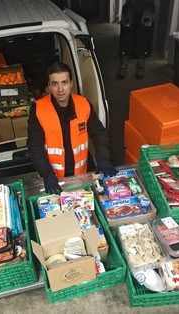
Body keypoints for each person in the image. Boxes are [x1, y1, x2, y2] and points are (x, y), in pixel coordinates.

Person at [27, 62, 117, 194]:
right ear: (49, 86)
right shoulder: (38, 109)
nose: (60, 89)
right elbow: (35, 147)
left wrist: (103, 159)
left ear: (71, 84)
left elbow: (99, 133)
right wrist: (47, 174)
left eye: (64, 82)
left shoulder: (83, 104)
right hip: (54, 179)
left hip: (82, 175)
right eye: (55, 84)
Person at [119, 0, 155, 79]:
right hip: (131, 9)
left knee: (142, 43)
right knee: (127, 43)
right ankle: (123, 68)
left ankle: (140, 70)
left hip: (145, 10)